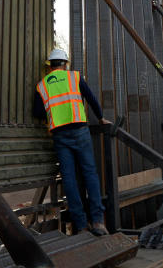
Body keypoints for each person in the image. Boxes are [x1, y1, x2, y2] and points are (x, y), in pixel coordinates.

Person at [33, 47, 111, 236]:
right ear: (65, 64)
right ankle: (98, 222)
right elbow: (91, 98)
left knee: (69, 180)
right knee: (89, 174)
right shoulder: (74, 77)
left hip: (60, 135)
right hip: (80, 131)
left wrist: (49, 120)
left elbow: (37, 112)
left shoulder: (42, 85)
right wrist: (100, 118)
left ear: (50, 66)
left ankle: (81, 225)